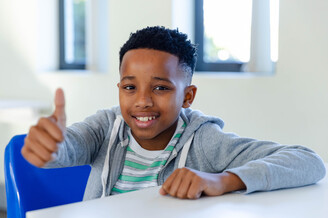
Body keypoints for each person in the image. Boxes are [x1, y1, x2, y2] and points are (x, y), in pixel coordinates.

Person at [21, 26, 326, 200]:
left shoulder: (204, 141)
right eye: (130, 88)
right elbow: (70, 145)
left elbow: (308, 161)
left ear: (187, 97)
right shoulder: (105, 127)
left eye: (161, 89)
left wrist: (223, 180)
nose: (142, 101)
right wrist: (54, 148)